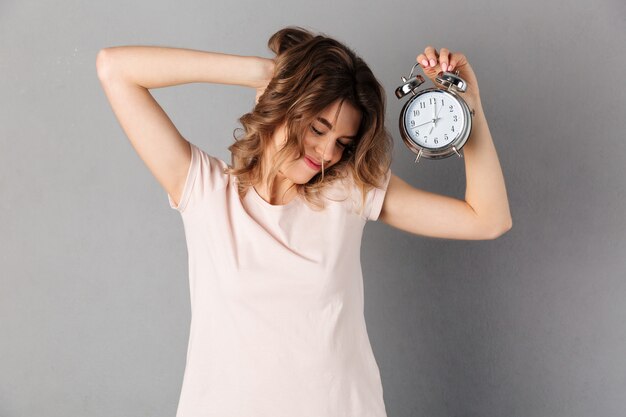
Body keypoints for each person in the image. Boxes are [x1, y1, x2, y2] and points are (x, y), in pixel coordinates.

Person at [96, 26, 512, 417]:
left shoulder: (348, 190)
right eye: (318, 128)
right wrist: (266, 74)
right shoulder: (204, 190)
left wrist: (468, 106)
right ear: (285, 104)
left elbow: (487, 220)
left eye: (342, 144)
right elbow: (115, 68)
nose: (327, 152)